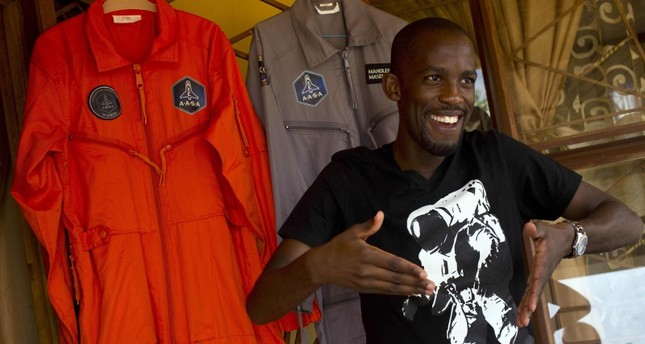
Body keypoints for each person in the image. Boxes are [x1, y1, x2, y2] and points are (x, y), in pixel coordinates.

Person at [245, 17, 642, 343]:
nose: (455, 96)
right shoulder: (350, 179)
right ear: (395, 87)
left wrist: (570, 237)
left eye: (466, 81)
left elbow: (627, 221)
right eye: (435, 79)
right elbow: (261, 306)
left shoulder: (497, 157)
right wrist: (318, 267)